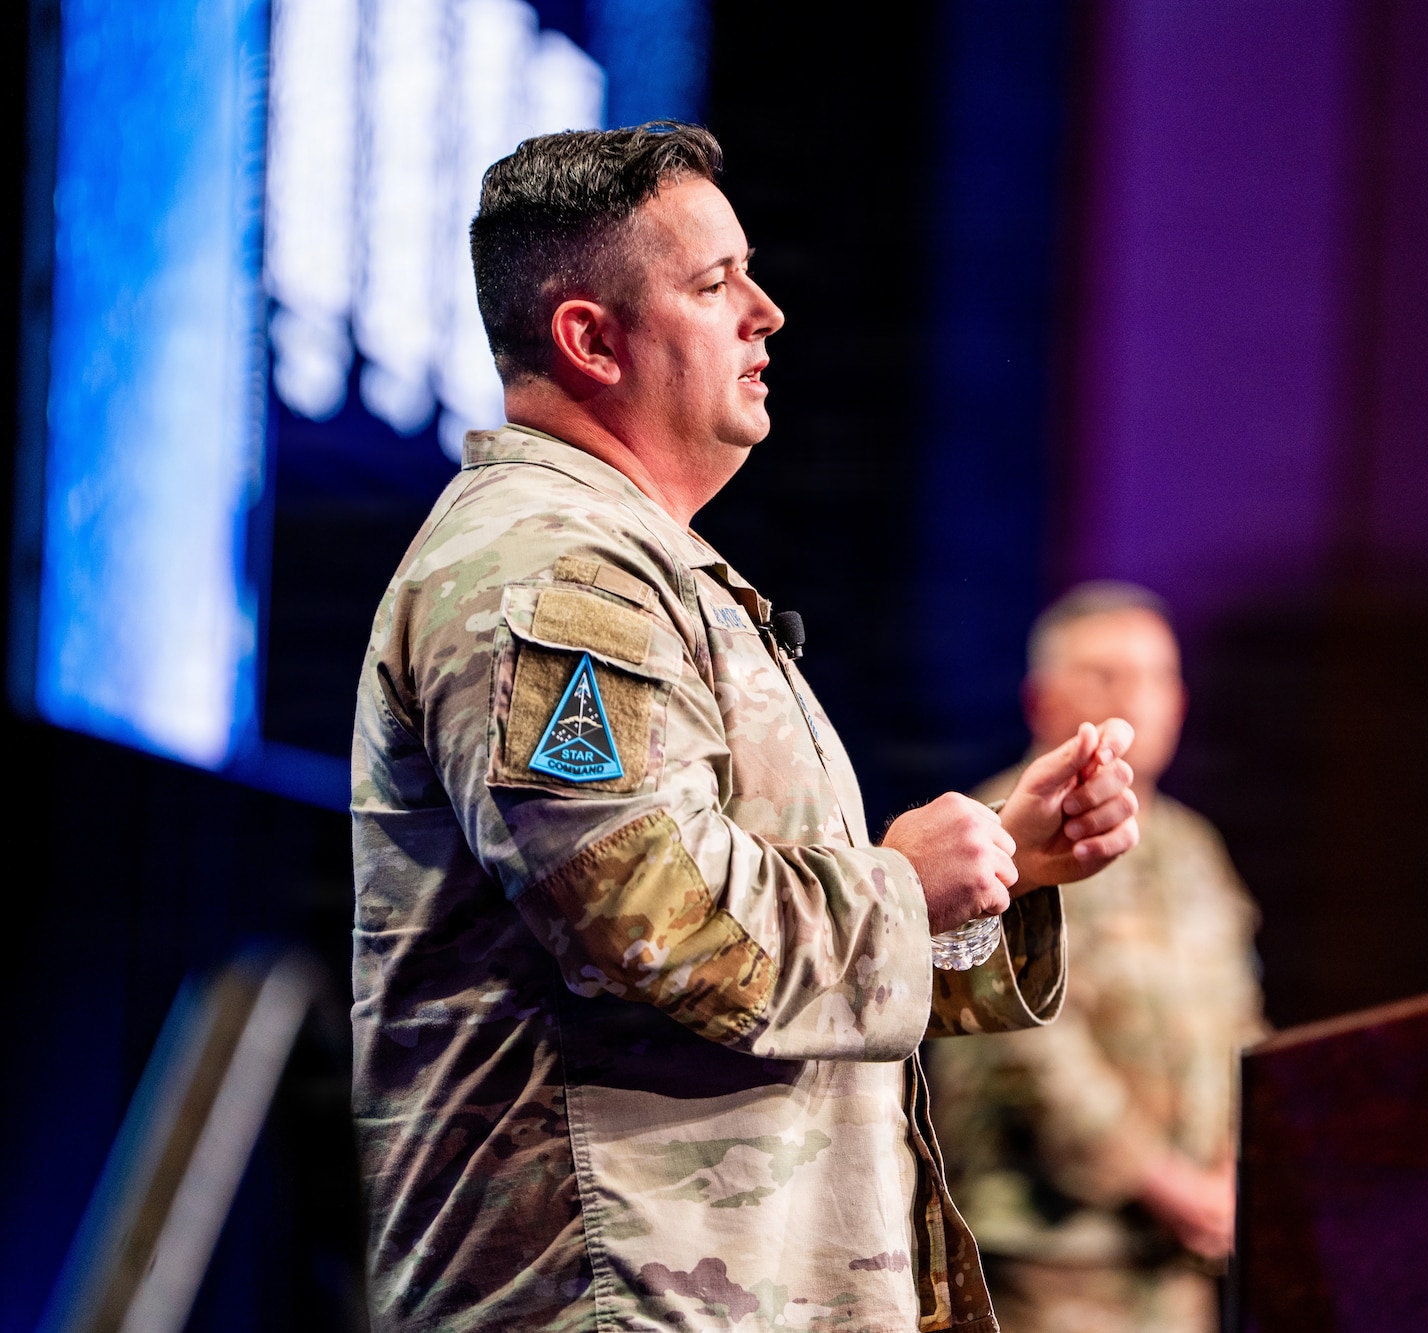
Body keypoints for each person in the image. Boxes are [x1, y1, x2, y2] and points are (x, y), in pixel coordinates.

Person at [349, 123, 1142, 1332]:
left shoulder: (641, 566)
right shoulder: (552, 573)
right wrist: (899, 887)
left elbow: (772, 966)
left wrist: (996, 871)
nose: (765, 311)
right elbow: (648, 924)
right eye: (716, 282)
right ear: (590, 338)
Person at [925, 583, 1267, 1333]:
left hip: (1178, 1262)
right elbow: (1020, 1051)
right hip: (1055, 1258)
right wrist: (1163, 1182)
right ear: (1041, 699)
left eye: (1157, 676)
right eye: (1107, 676)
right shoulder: (991, 839)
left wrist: (1232, 1177)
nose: (1137, 699)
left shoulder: (1194, 848)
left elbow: (1240, 1023)